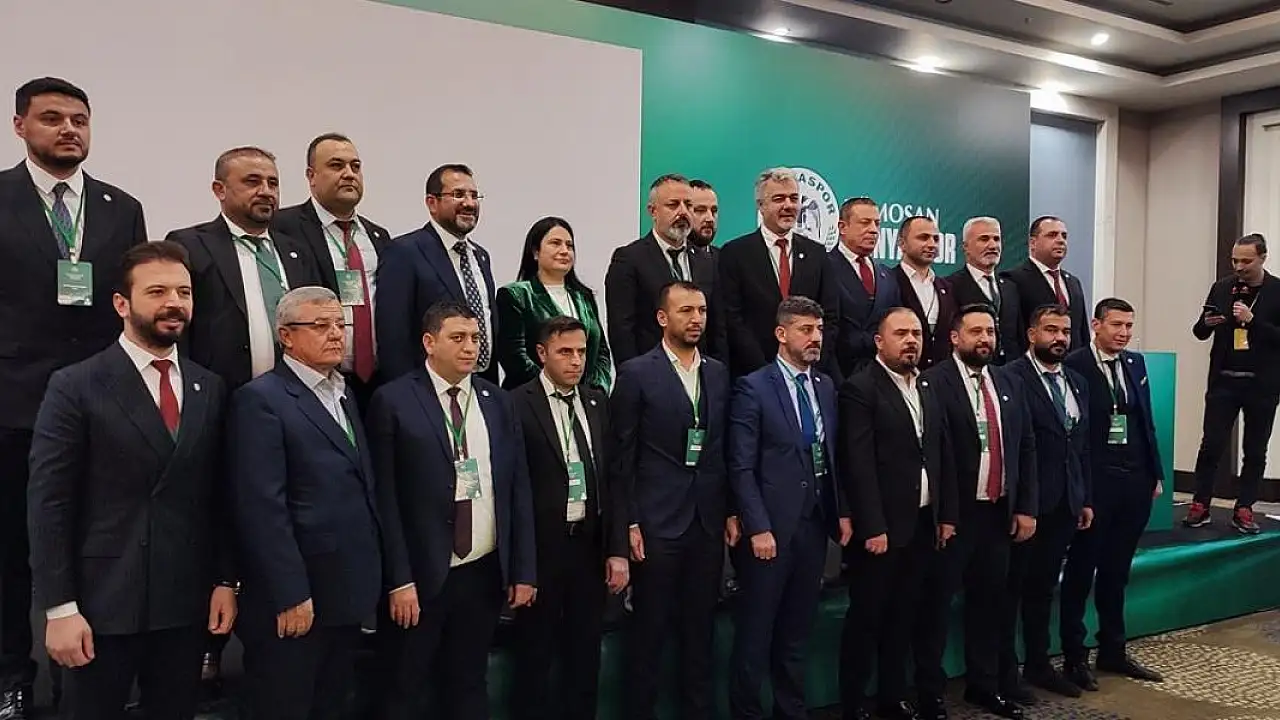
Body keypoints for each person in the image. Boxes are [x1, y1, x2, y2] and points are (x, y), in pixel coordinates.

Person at [28, 241, 234, 720]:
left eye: (184, 292)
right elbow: (49, 504)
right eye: (157, 292)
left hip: (183, 604)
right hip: (100, 605)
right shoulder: (75, 385)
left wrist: (226, 580)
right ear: (122, 304)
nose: (174, 303)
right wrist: (59, 608)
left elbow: (219, 496)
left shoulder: (209, 387)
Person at [0, 76, 148, 717]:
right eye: (52, 118)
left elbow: (133, 300)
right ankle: (12, 675)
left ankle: (89, 676)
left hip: (102, 402)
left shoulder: (121, 207)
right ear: (20, 126)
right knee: (14, 547)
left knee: (99, 541)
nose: (68, 130)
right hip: (14, 404)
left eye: (79, 120)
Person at [370, 301, 536, 720]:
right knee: (405, 688)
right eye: (458, 338)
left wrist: (522, 569)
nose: (470, 347)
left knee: (469, 684)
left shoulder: (498, 401)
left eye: (475, 338)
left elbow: (517, 489)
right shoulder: (393, 400)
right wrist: (399, 580)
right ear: (429, 342)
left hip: (482, 572)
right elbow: (384, 499)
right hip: (421, 577)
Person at [227, 287, 383, 720]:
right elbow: (263, 508)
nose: (335, 334)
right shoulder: (261, 400)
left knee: (332, 704)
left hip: (345, 590)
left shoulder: (344, 392)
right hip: (297, 597)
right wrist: (290, 592)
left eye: (339, 324)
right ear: (286, 336)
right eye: (320, 325)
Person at [611, 281, 739, 720]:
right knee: (648, 635)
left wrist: (731, 509)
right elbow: (622, 456)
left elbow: (722, 448)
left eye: (701, 310)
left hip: (706, 521)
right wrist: (629, 521)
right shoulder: (635, 373)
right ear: (662, 318)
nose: (696, 318)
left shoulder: (718, 373)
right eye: (686, 310)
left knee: (700, 634)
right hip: (655, 523)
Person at [727, 296, 852, 720]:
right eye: (805, 330)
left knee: (797, 632)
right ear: (781, 334)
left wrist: (841, 511)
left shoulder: (825, 386)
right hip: (769, 531)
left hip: (813, 526)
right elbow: (741, 466)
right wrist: (757, 526)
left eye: (819, 330)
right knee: (756, 634)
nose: (815, 338)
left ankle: (791, 711)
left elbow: (831, 456)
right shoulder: (753, 387)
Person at [838, 308, 957, 720]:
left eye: (917, 334)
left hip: (922, 524)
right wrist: (873, 525)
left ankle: (892, 698)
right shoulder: (860, 388)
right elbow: (858, 464)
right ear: (879, 341)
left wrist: (945, 515)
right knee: (867, 620)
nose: (911, 341)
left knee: (904, 617)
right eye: (901, 333)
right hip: (881, 530)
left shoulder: (926, 385)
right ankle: (853, 704)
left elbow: (940, 454)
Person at [508, 316, 630, 720]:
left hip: (589, 548)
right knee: (535, 658)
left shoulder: (596, 401)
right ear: (541, 353)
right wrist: (521, 567)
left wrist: (617, 550)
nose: (576, 360)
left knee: (585, 656)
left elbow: (614, 479)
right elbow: (512, 488)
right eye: (565, 352)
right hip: (542, 550)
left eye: (581, 351)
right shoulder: (516, 404)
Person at [920, 304, 1036, 720]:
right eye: (976, 332)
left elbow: (1025, 446)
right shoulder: (933, 382)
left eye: (990, 331)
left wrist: (1025, 506)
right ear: (955, 337)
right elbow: (932, 454)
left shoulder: (1007, 380)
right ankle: (930, 694)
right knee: (935, 608)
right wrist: (944, 515)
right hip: (954, 517)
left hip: (997, 513)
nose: (985, 339)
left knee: (990, 604)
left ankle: (983, 686)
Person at [1061, 298, 1164, 689]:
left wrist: (1155, 473)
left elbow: (1145, 421)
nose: (1123, 333)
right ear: (1095, 325)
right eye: (1116, 325)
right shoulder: (1075, 365)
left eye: (1129, 326)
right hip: (1096, 483)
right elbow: (1074, 434)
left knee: (1117, 571)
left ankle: (1113, 649)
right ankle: (1074, 655)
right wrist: (1081, 492)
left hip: (1134, 480)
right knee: (1081, 570)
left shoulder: (1135, 364)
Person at [166, 146, 322, 390]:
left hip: (296, 396)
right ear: (219, 190)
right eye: (252, 182)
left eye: (273, 183)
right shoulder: (190, 246)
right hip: (219, 392)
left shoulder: (297, 252)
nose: (266, 191)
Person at [1001, 304, 1092, 701]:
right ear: (1032, 334)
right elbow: (1014, 448)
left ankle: (1039, 664)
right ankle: (1005, 674)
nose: (1060, 338)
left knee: (1042, 590)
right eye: (1051, 330)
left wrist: (1084, 497)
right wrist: (1023, 505)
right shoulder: (1010, 377)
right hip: (1027, 507)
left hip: (1065, 503)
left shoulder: (1076, 381)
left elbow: (1080, 446)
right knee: (1011, 591)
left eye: (1066, 332)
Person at [273, 133, 393, 411]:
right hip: (312, 380)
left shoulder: (378, 236)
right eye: (336, 165)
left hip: (377, 381)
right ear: (311, 176)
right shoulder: (283, 227)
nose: (349, 174)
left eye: (355, 166)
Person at [1184, 233, 1280, 534]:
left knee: (1255, 449)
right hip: (1224, 381)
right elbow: (1200, 331)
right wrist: (1207, 323)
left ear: (1263, 258)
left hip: (1262, 385)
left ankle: (1245, 507)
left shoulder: (1276, 290)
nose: (1239, 267)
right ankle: (1200, 504)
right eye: (1235, 260)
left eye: (1246, 261)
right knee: (1211, 445)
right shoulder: (1222, 287)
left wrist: (1252, 321)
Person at [377, 164, 500, 384]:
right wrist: (407, 394)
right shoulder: (404, 252)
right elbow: (393, 336)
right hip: (426, 388)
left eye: (474, 196)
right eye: (458, 194)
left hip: (479, 385)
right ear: (432, 203)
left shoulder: (480, 256)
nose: (469, 203)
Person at [718, 168, 840, 380]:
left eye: (794, 198)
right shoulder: (735, 253)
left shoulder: (817, 254)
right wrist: (766, 371)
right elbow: (732, 319)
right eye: (779, 199)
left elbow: (830, 315)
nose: (788, 205)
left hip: (807, 372)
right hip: (754, 374)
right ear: (760, 206)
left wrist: (811, 363)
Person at [605, 174, 721, 364]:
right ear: (653, 211)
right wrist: (633, 375)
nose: (683, 212)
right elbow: (622, 330)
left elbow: (717, 329)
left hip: (699, 370)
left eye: (688, 205)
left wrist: (716, 373)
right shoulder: (629, 259)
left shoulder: (706, 261)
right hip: (650, 372)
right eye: (673, 205)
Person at [496, 217, 612, 391]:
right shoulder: (516, 295)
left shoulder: (584, 296)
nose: (564, 251)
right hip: (532, 398)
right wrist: (554, 389)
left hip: (584, 399)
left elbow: (601, 352)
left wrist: (595, 391)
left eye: (569, 245)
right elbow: (514, 357)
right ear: (535, 252)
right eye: (555, 243)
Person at [829, 196, 900, 378]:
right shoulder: (824, 267)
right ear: (842, 227)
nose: (873, 230)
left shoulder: (887, 275)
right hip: (838, 376)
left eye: (877, 224)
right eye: (865, 223)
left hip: (881, 378)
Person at [1004, 216, 1088, 354]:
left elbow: (1082, 332)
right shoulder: (1014, 280)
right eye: (1052, 235)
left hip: (1072, 365)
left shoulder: (1073, 282)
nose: (1060, 240)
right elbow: (1011, 334)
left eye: (1064, 236)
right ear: (1033, 243)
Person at [946, 217, 1021, 365]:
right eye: (984, 239)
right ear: (965, 247)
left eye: (996, 239)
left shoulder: (1010, 287)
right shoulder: (950, 286)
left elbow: (1018, 336)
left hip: (1010, 371)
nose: (992, 245)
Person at [892, 215, 957, 371]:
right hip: (900, 373)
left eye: (936, 239)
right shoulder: (889, 281)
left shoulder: (947, 288)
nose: (931, 244)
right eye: (923, 238)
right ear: (902, 243)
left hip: (940, 377)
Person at [689, 179, 720, 255]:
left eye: (714, 211)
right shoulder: (667, 258)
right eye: (700, 210)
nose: (710, 219)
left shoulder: (724, 258)